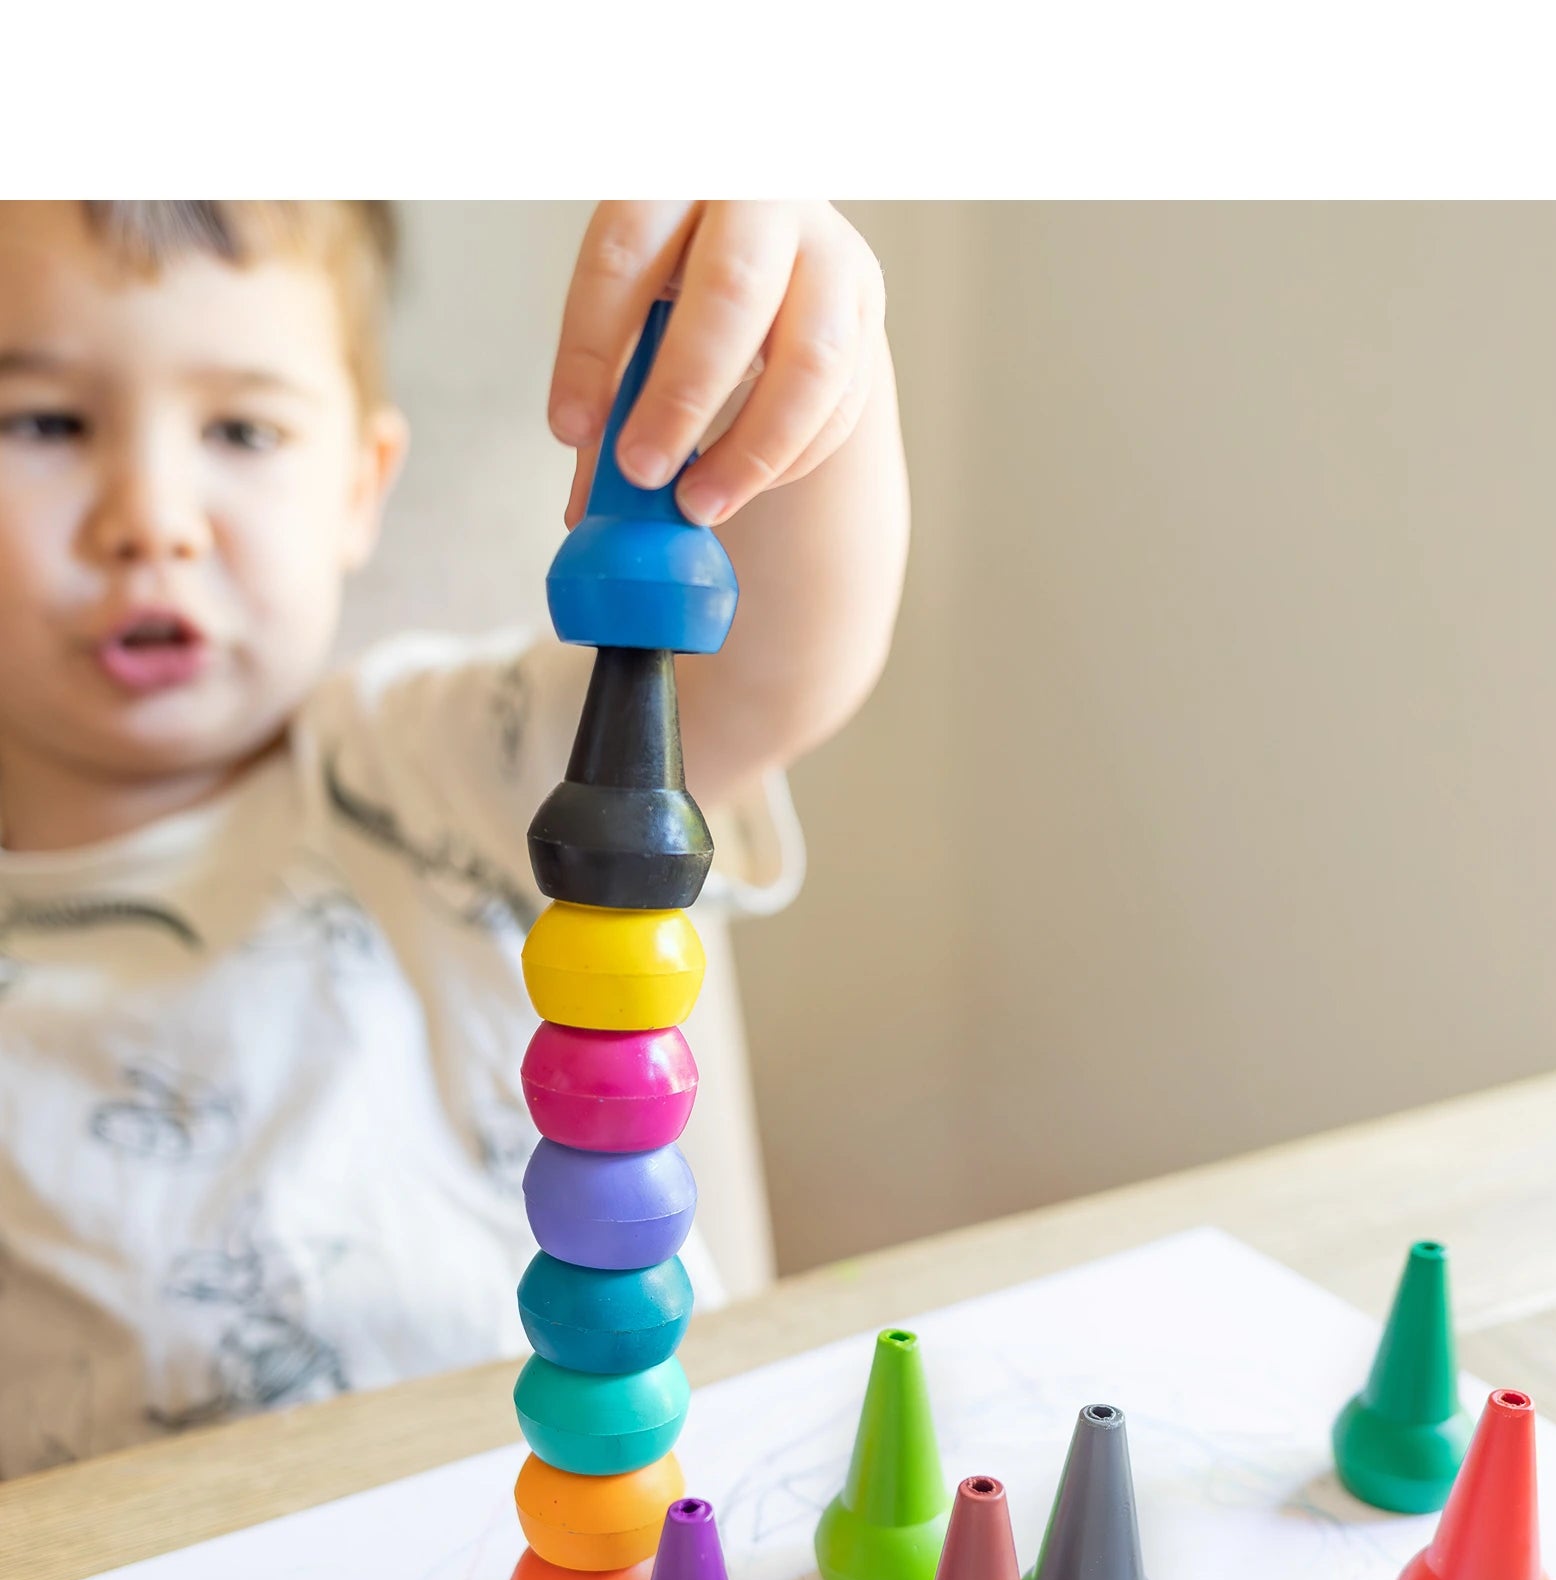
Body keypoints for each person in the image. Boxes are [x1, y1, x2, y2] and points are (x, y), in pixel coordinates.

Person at [0, 200, 909, 1478]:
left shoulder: (425, 761)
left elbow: (760, 680)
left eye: (242, 431)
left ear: (360, 488)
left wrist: (813, 365)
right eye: (43, 422)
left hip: (588, 1544)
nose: (153, 517)